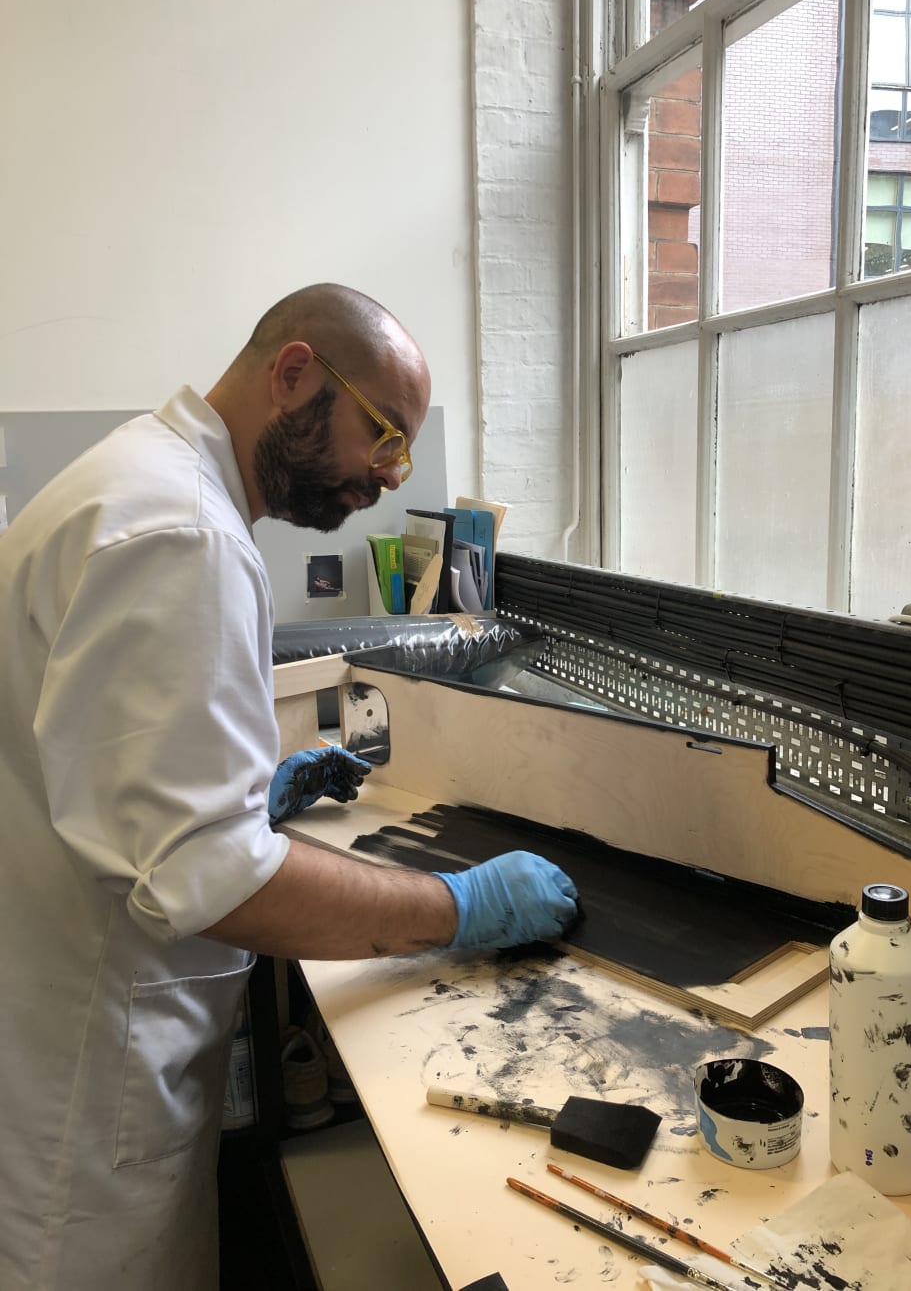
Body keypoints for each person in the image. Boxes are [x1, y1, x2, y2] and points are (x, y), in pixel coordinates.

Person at [0, 284, 579, 1291]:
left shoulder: (141, 483)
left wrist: (246, 793)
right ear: (295, 373)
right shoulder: (183, 533)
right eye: (385, 435)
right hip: (83, 1087)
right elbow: (222, 883)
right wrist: (459, 905)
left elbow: (92, 769)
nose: (389, 480)